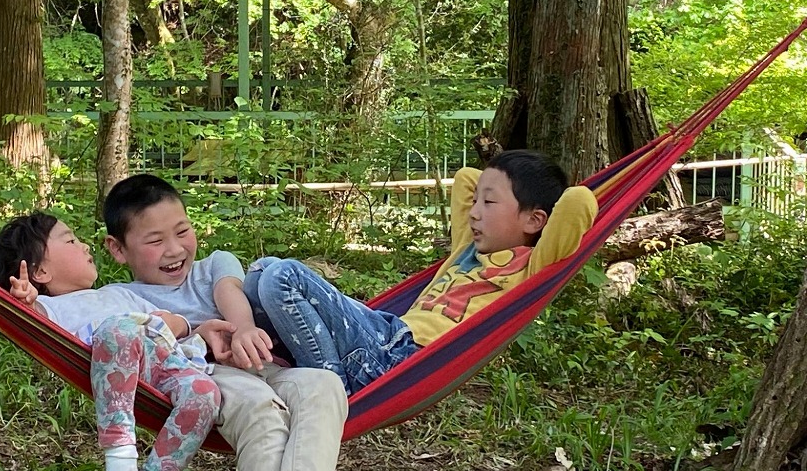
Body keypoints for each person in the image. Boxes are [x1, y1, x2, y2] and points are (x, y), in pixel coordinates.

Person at [102, 175, 350, 471]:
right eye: (155, 240)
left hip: (260, 362)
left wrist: (244, 329)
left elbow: (229, 290)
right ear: (118, 249)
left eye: (182, 231)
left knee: (324, 385)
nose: (175, 249)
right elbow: (85, 324)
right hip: (207, 376)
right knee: (262, 413)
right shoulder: (123, 298)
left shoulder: (215, 264)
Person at [243, 150, 599, 395]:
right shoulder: (467, 250)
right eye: (476, 201)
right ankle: (295, 365)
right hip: (384, 335)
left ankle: (328, 390)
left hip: (401, 356)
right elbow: (466, 177)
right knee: (263, 270)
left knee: (283, 276)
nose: (474, 212)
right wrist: (493, 184)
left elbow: (579, 201)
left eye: (489, 202)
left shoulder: (531, 267)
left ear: (534, 220)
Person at [0, 212, 225, 471]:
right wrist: (25, 303)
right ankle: (121, 457)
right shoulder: (51, 307)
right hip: (119, 359)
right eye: (70, 240)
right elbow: (34, 321)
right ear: (41, 272)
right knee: (118, 329)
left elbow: (177, 322)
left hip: (165, 360)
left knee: (206, 394)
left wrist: (177, 324)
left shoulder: (118, 293)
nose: (85, 246)